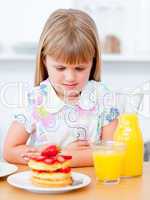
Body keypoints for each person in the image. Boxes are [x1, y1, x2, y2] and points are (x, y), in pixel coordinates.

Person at [3, 9, 119, 167]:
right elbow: (10, 151)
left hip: (93, 188)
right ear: (44, 60)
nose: (70, 77)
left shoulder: (102, 96)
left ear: (93, 62)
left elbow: (112, 152)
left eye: (79, 68)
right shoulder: (35, 99)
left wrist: (60, 157)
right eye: (60, 68)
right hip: (46, 185)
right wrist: (61, 154)